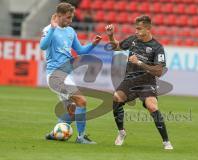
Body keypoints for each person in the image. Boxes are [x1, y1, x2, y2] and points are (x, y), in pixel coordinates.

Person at [105, 15, 173, 149]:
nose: (136, 31)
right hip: (130, 80)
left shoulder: (157, 47)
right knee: (116, 97)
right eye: (135, 28)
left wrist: (140, 63)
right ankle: (121, 132)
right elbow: (117, 47)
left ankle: (166, 142)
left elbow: (159, 71)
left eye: (139, 29)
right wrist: (111, 36)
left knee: (152, 106)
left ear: (148, 29)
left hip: (147, 82)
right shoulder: (133, 40)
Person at [40, 2, 102, 144]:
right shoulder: (49, 29)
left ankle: (55, 133)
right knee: (82, 101)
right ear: (59, 16)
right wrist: (53, 29)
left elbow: (80, 50)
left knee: (72, 112)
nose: (70, 20)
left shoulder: (70, 31)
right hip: (55, 76)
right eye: (68, 17)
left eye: (71, 17)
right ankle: (81, 137)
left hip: (67, 76)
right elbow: (43, 46)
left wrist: (93, 44)